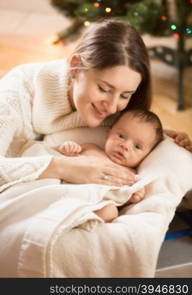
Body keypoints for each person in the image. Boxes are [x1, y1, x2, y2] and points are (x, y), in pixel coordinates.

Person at [0, 19, 191, 195]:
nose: (111, 107)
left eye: (125, 95)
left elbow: (127, 132)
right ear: (75, 66)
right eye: (104, 89)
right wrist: (66, 168)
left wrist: (165, 137)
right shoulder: (17, 92)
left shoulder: (113, 111)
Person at [51, 108, 164, 222]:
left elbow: (120, 200)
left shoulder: (131, 176)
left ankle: (81, 224)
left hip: (91, 206)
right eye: (121, 136)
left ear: (147, 155)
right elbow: (63, 160)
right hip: (66, 193)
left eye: (137, 146)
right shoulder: (90, 148)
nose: (125, 145)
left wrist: (133, 197)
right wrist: (68, 148)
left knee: (110, 211)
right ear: (109, 133)